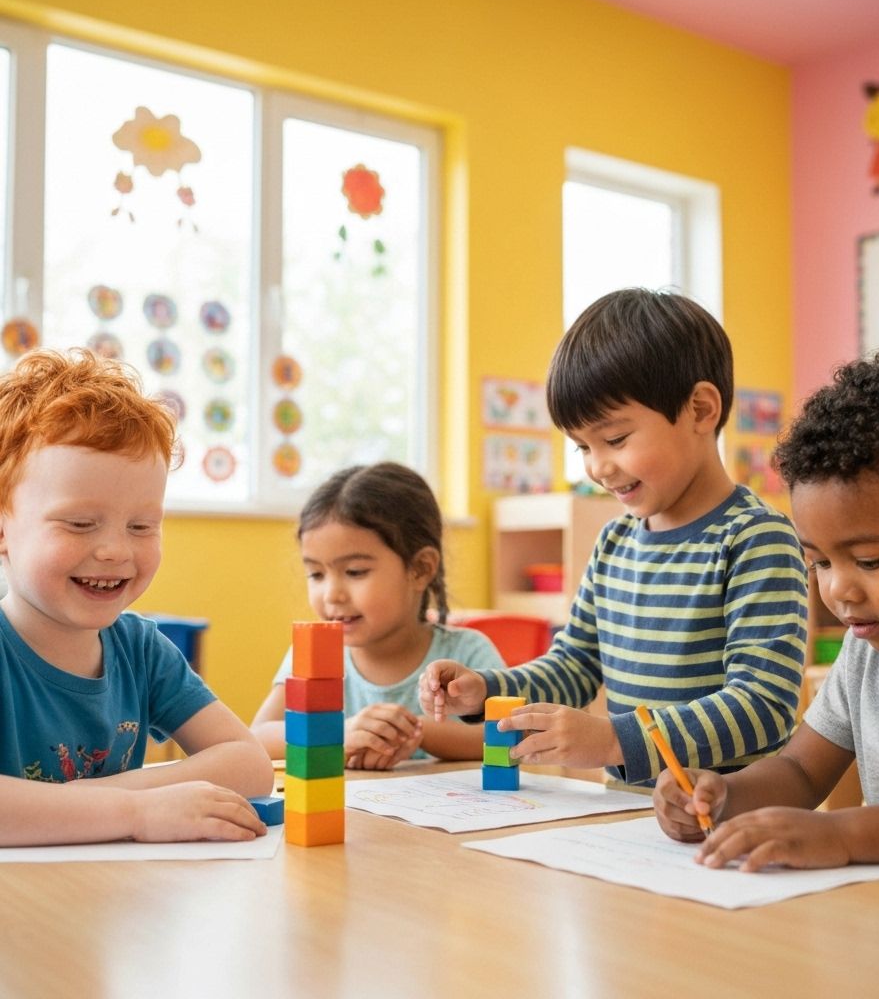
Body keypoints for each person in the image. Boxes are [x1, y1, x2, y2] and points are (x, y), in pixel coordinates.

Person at [654, 346, 879, 869]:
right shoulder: (867, 651)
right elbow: (801, 774)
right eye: (820, 562)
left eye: (869, 561)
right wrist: (721, 795)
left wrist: (843, 833)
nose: (837, 591)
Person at [419, 288, 808, 785]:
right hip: (627, 815)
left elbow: (763, 707)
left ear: (701, 410)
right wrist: (489, 692)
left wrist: (613, 739)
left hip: (731, 818)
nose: (598, 467)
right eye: (582, 446)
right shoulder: (614, 542)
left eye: (616, 439)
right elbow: (574, 665)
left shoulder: (757, 538)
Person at [0, 349, 273, 847]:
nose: (114, 550)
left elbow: (249, 763)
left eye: (142, 526)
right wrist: (133, 811)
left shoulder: (141, 650)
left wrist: (118, 800)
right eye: (80, 523)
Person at [250, 462, 505, 768]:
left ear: (420, 569)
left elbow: (505, 735)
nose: (332, 594)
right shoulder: (314, 654)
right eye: (316, 574)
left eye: (355, 572)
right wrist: (338, 734)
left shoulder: (466, 652)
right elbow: (258, 738)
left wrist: (412, 732)